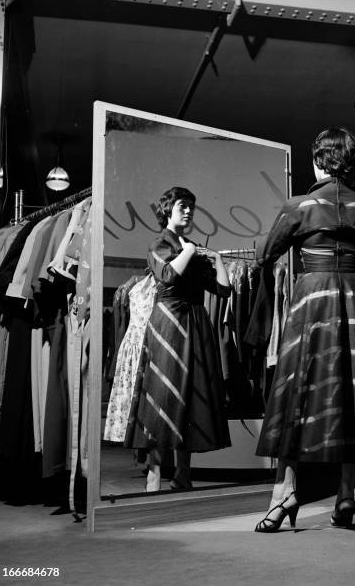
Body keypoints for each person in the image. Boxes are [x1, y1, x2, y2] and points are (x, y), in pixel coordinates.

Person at [253, 127, 355, 532]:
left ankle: (286, 491)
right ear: (350, 162)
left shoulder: (299, 205)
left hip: (312, 298)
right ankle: (347, 494)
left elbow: (264, 254)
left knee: (296, 391)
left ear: (317, 160)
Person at [124, 186, 231, 491]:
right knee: (163, 395)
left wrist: (219, 259)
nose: (188, 211)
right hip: (169, 324)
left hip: (195, 325)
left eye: (191, 207)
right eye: (183, 206)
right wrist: (189, 251)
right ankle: (155, 474)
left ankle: (183, 474)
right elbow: (167, 276)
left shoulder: (192, 247)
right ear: (168, 210)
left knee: (190, 398)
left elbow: (223, 290)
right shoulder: (160, 243)